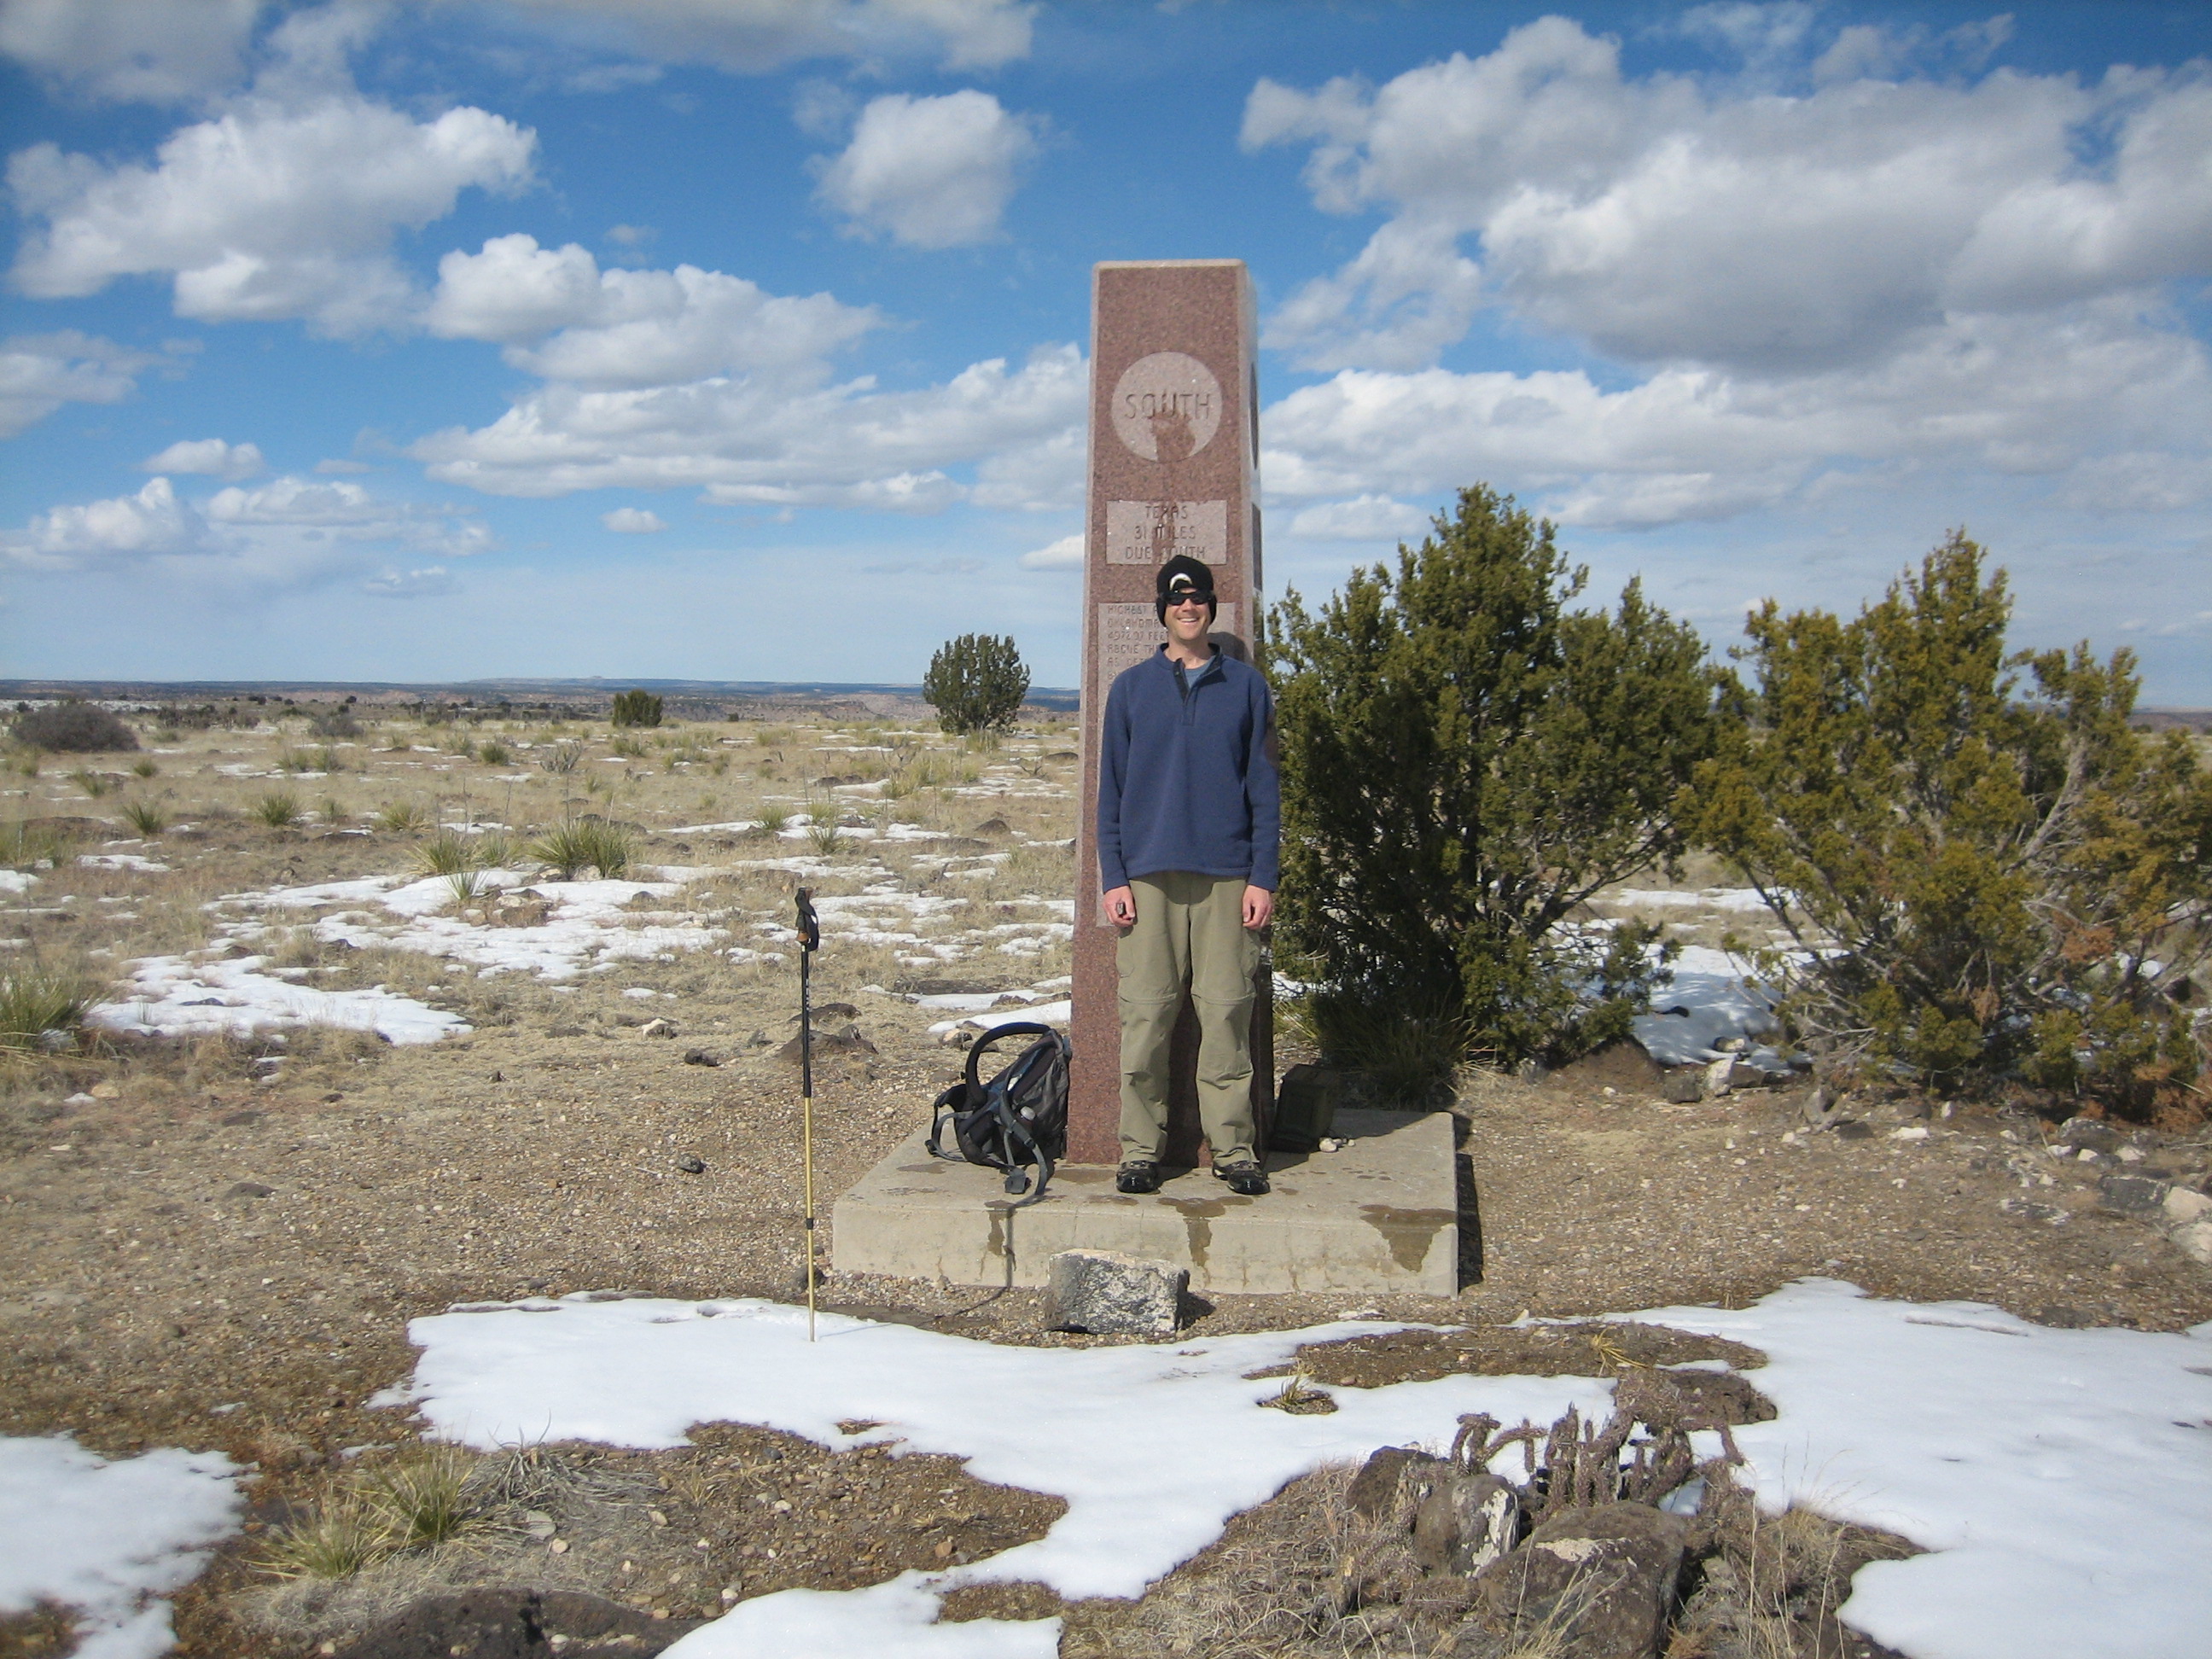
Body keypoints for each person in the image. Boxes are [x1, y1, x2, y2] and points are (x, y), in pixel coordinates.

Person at [1096, 553, 1280, 1197]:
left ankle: (1234, 1150)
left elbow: (1264, 786)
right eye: (1177, 600)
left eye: (1198, 598)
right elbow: (1110, 793)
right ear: (1163, 610)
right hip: (1148, 876)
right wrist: (1112, 876)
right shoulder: (1130, 689)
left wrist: (1264, 875)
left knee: (1227, 1014)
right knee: (1146, 1018)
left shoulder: (1247, 688)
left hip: (1229, 876)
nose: (1188, 607)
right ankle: (1140, 1151)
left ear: (1210, 608)